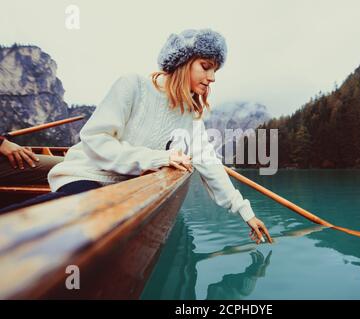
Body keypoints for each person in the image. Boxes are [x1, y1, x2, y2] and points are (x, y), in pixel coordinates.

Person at [1, 29, 272, 244]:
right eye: (206, 66)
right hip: (90, 176)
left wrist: (246, 213)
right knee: (38, 224)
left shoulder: (190, 115)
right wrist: (158, 157)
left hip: (126, 189)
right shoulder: (133, 85)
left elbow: (210, 165)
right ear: (183, 62)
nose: (212, 77)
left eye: (216, 70)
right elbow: (96, 140)